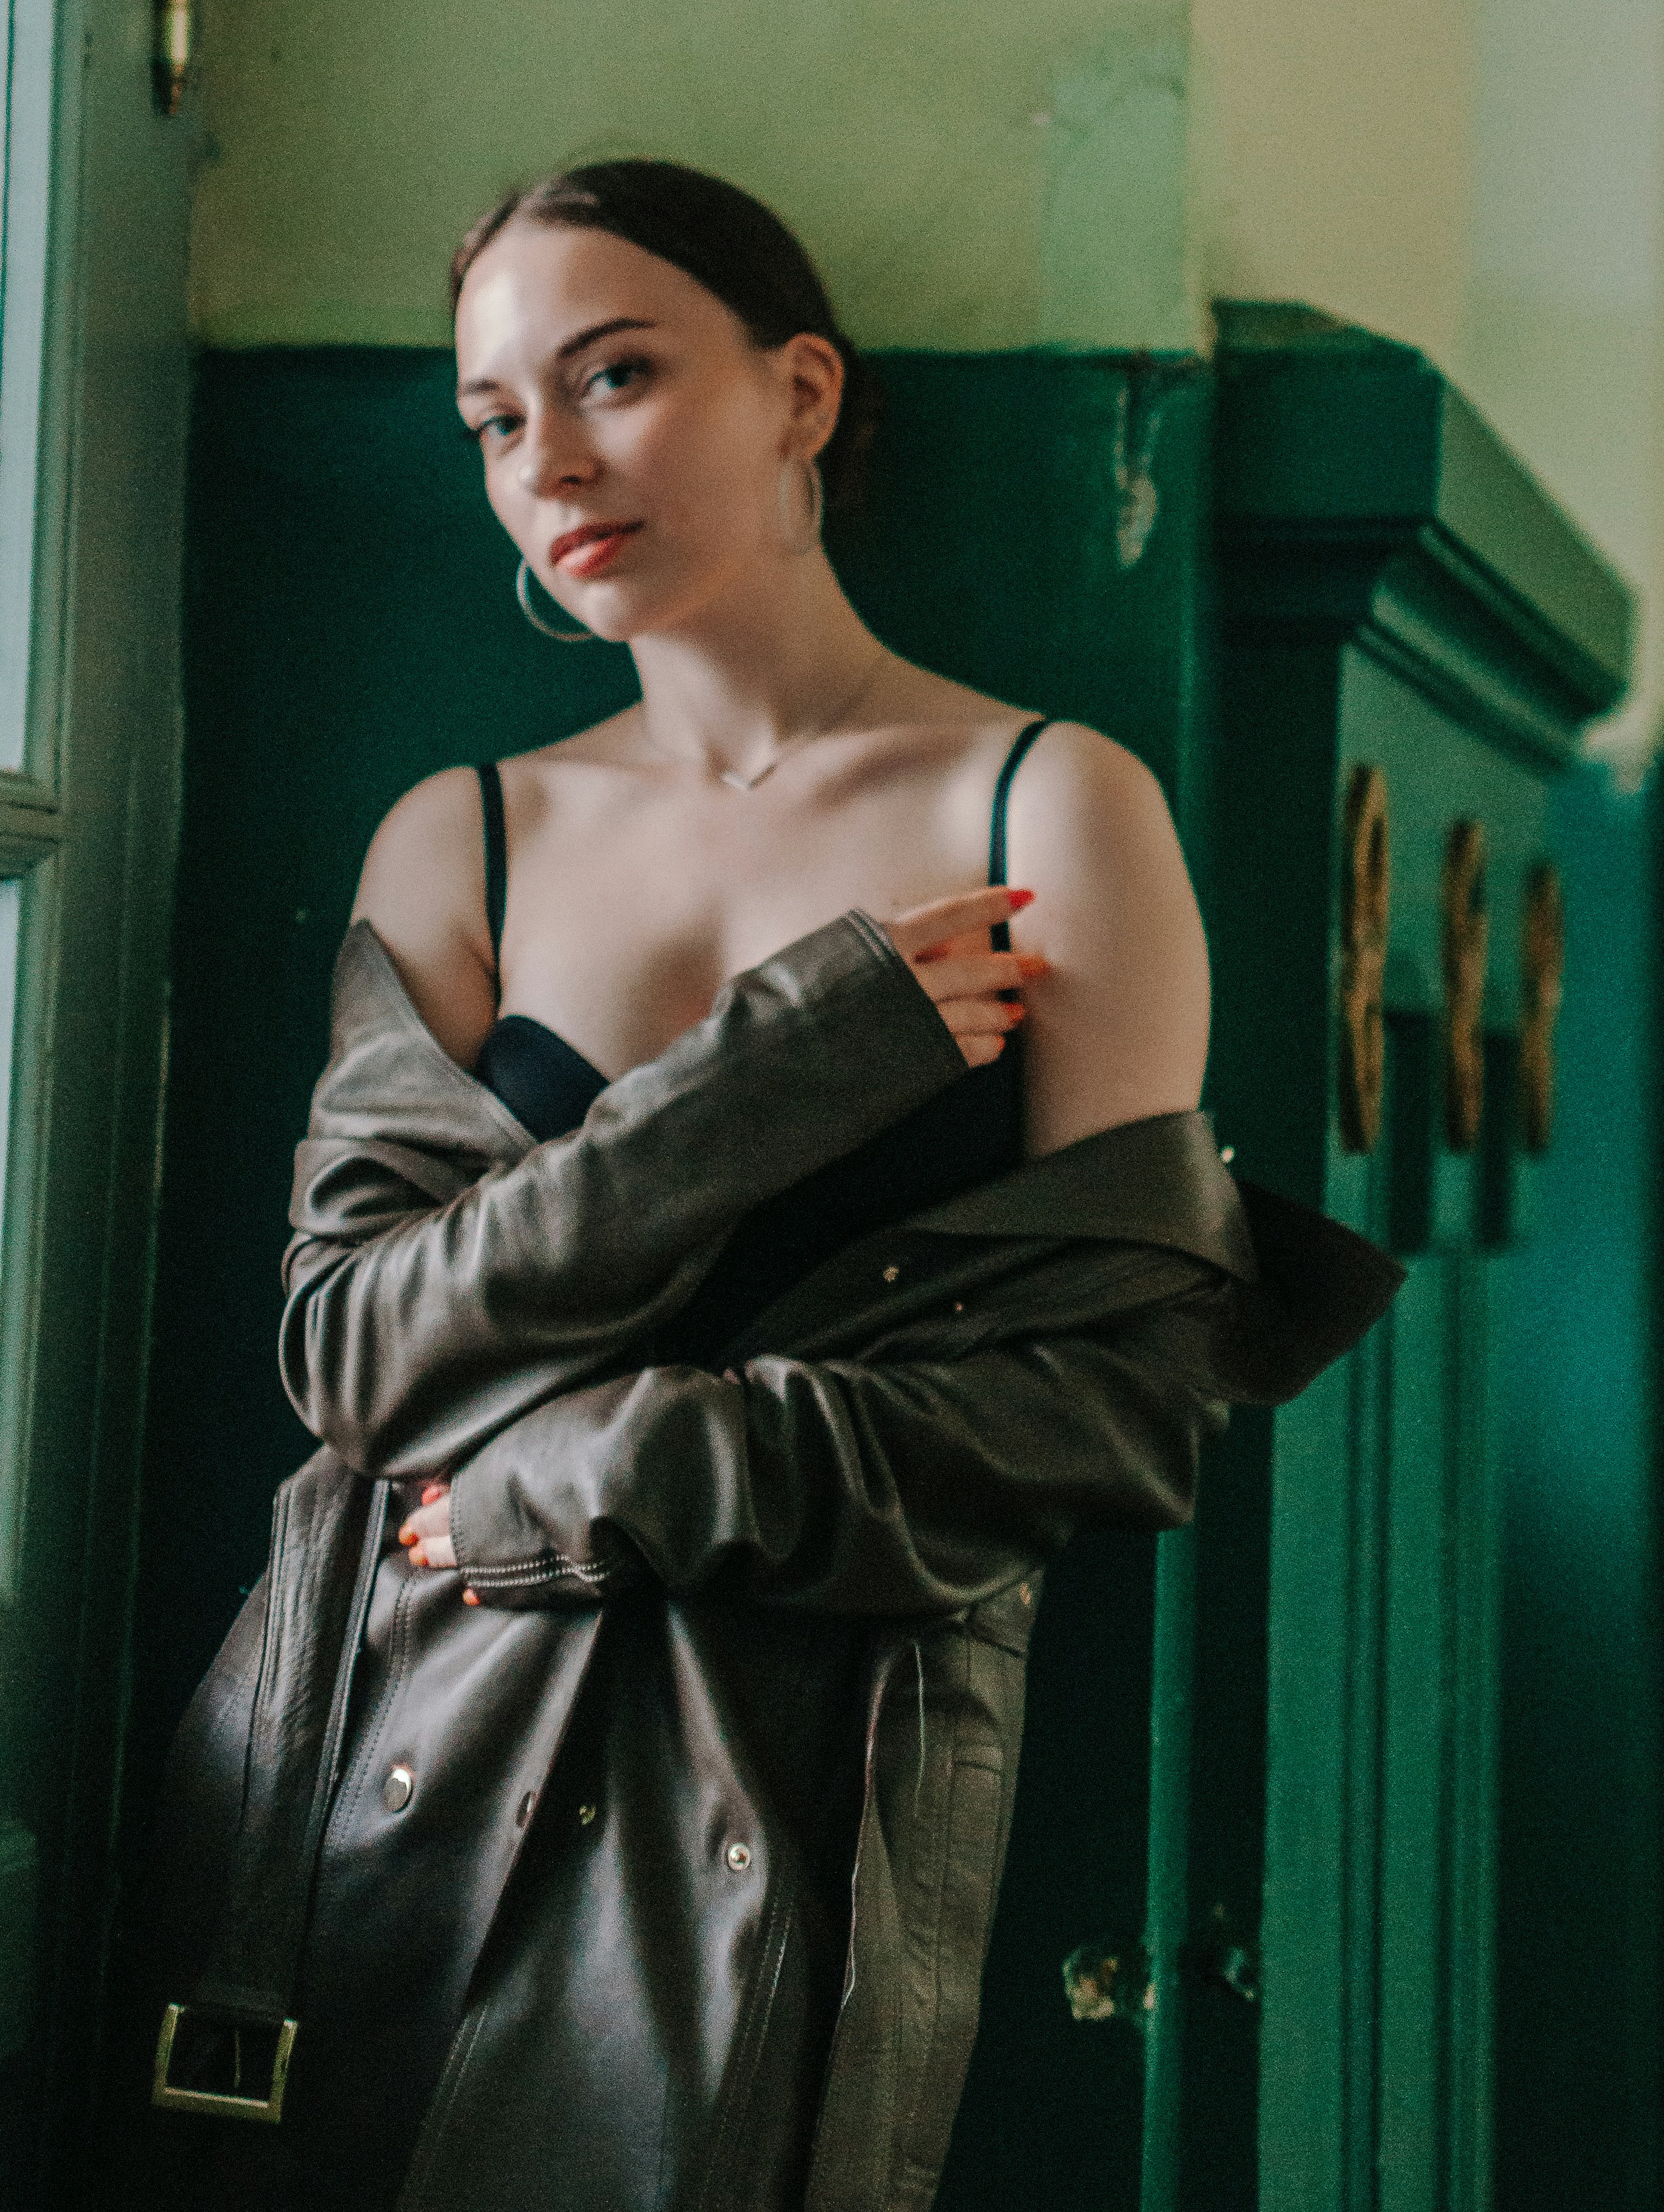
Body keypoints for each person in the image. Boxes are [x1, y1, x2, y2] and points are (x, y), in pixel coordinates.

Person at [125, 162, 1398, 2212]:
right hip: (392, 1743)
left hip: (810, 1757)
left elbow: (1119, 1399)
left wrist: (606, 1477)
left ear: (800, 390)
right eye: (495, 418)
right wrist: (772, 1076)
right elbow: (355, 1348)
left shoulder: (1044, 805)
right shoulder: (465, 839)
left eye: (615, 374)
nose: (550, 459)